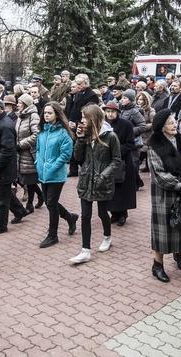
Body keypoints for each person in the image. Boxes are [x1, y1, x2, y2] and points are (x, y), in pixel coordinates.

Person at [146, 109, 181, 282]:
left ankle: (179, 255)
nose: (174, 124)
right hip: (164, 194)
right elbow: (158, 173)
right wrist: (177, 185)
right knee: (163, 230)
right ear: (161, 127)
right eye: (170, 122)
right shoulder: (154, 145)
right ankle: (157, 265)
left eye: (174, 121)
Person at [69, 104, 121, 264]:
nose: (82, 120)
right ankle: (85, 250)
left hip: (102, 181)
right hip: (86, 179)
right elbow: (77, 157)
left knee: (102, 213)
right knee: (85, 216)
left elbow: (116, 160)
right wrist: (79, 138)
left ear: (93, 118)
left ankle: (107, 237)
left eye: (85, 117)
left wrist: (104, 175)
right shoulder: (85, 135)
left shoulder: (110, 136)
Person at [0, 98, 30, 236]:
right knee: (4, 193)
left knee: (1, 199)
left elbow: (7, 150)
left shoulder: (5, 125)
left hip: (2, 169)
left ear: (0, 109)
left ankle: (1, 225)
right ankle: (20, 211)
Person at [36, 102, 79, 248]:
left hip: (55, 175)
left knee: (51, 204)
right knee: (49, 202)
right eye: (45, 113)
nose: (46, 115)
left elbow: (65, 155)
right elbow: (38, 149)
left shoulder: (63, 133)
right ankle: (70, 217)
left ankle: (52, 235)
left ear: (57, 115)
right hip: (43, 173)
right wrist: (38, 162)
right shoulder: (42, 131)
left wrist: (52, 168)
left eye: (50, 113)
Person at [103, 102, 137, 226]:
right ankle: (113, 213)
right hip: (107, 161)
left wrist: (116, 150)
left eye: (112, 112)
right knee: (110, 189)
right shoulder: (103, 125)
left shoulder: (126, 124)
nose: (110, 114)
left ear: (117, 113)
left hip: (123, 161)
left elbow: (130, 143)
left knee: (122, 189)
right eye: (108, 111)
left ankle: (122, 213)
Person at [15, 94, 44, 213]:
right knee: (24, 178)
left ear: (26, 104)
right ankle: (40, 195)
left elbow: (37, 135)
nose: (17, 105)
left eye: (20, 103)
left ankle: (30, 204)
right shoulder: (20, 116)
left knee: (30, 179)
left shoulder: (33, 116)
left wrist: (21, 144)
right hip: (21, 153)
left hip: (30, 153)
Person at [136, 91, 156, 173]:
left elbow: (154, 123)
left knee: (145, 153)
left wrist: (143, 126)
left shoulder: (150, 110)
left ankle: (147, 167)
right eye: (138, 99)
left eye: (141, 99)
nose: (139, 101)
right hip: (139, 135)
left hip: (147, 135)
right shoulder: (136, 110)